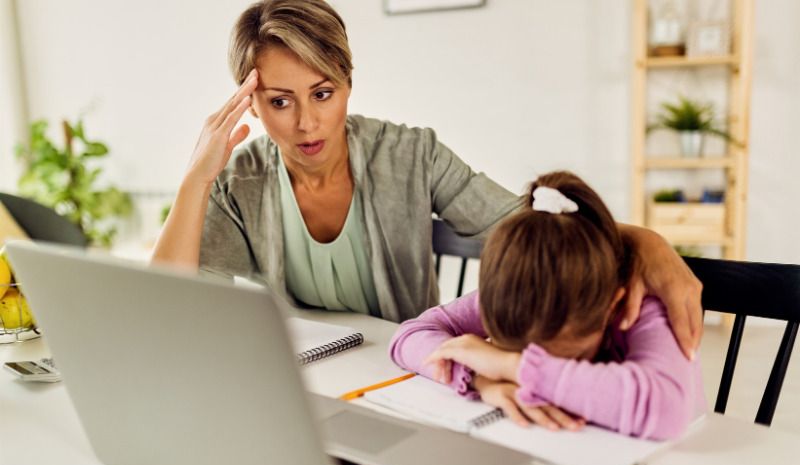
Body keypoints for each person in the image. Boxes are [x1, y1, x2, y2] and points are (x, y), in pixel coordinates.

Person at [151, 0, 703, 359]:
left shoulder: (412, 154)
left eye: (323, 93)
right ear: (250, 100)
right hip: (305, 385)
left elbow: (528, 226)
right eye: (279, 101)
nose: (306, 122)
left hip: (410, 368)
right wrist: (196, 180)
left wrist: (645, 240)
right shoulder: (241, 178)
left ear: (348, 82)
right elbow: (168, 309)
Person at [389, 171, 706, 440]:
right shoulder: (519, 287)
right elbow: (408, 337)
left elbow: (668, 410)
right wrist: (478, 377)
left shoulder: (643, 306)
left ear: (612, 304)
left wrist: (509, 366)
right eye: (511, 350)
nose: (527, 371)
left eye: (560, 355)